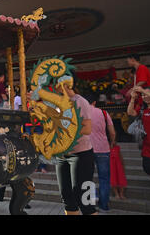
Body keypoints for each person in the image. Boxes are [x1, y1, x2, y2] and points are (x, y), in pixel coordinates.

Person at [30, 75, 97, 215]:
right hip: (62, 155)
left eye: (58, 84)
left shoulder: (80, 102)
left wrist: (64, 129)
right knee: (66, 196)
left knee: (84, 198)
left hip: (80, 154)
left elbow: (87, 129)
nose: (56, 87)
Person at [127, 86, 150, 198]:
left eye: (148, 94)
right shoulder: (142, 110)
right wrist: (133, 98)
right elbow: (130, 112)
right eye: (143, 95)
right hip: (149, 146)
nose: (145, 96)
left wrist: (142, 90)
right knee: (148, 168)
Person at [85, 93, 116, 211]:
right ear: (94, 102)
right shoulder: (103, 113)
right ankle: (104, 205)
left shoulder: (80, 113)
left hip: (86, 149)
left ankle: (89, 205)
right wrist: (112, 142)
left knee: (87, 177)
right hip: (103, 149)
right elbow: (112, 132)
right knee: (104, 178)